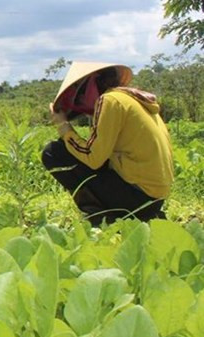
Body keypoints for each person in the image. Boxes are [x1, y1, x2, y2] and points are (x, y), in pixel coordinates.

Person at [42, 61, 173, 225]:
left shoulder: (109, 100)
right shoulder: (129, 100)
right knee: (68, 151)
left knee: (53, 152)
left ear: (92, 85)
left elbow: (93, 158)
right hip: (154, 198)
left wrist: (64, 126)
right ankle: (118, 213)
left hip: (138, 196)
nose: (80, 100)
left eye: (81, 94)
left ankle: (100, 215)